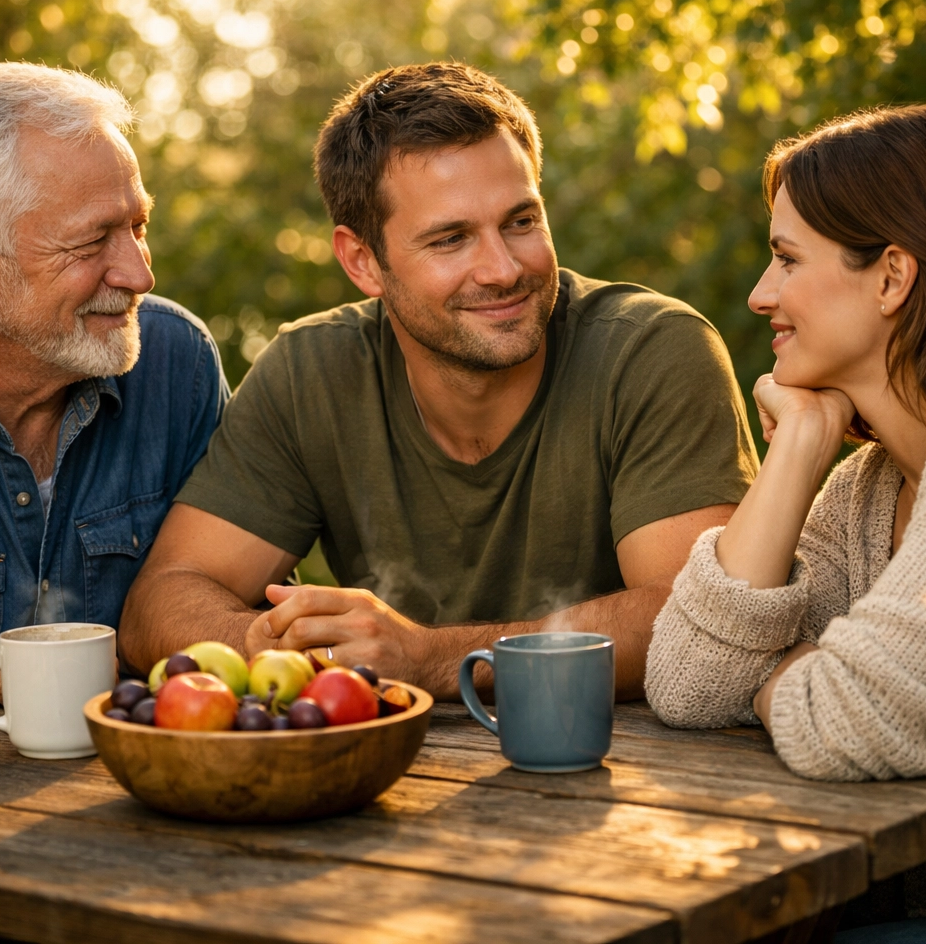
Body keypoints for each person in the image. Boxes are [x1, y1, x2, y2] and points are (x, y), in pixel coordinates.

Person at [120, 62, 756, 699]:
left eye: (521, 221)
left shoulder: (651, 350)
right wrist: (269, 644)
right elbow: (159, 601)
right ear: (363, 261)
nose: (503, 268)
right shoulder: (308, 373)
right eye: (451, 239)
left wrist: (431, 658)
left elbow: (698, 620)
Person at [645, 104, 926, 940]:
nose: (760, 295)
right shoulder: (865, 488)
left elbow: (845, 720)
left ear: (893, 278)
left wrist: (787, 673)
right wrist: (798, 452)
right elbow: (685, 687)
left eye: (787, 260)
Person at [0, 63, 228, 707]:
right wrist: (0, 676)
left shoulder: (176, 362)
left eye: (139, 227)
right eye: (93, 239)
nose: (139, 274)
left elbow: (234, 609)